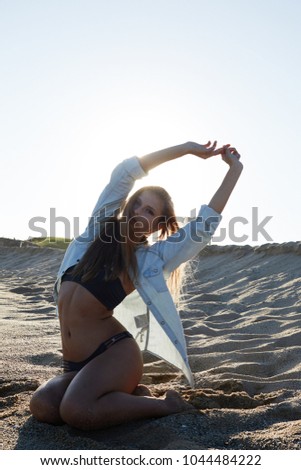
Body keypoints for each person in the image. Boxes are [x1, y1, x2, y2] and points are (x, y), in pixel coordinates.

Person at [30, 140, 243, 431]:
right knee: (43, 406)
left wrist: (235, 169)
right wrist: (186, 149)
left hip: (113, 355)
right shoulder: (97, 231)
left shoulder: (149, 260)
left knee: (77, 411)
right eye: (138, 205)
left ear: (158, 226)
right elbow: (125, 172)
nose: (139, 213)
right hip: (77, 365)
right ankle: (122, 396)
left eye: (150, 212)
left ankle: (166, 405)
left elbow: (204, 225)